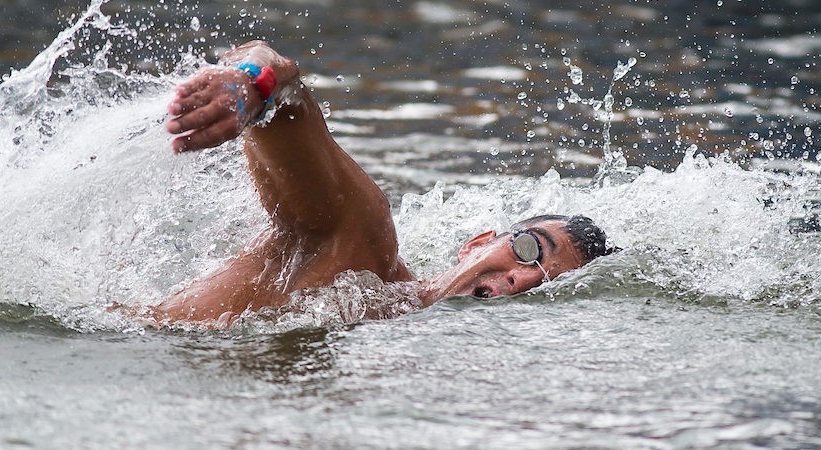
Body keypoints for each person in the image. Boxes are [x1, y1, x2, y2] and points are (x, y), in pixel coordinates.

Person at [120, 40, 612, 327]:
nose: (525, 278)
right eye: (530, 251)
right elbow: (290, 96)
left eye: (548, 286)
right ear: (477, 244)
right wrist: (253, 82)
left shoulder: (396, 331)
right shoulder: (363, 249)